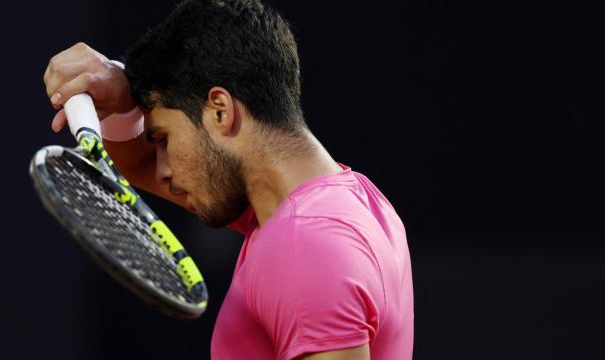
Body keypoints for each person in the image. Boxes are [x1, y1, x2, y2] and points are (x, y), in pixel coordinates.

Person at [42, 1, 413, 359]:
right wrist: (122, 95)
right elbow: (135, 163)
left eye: (164, 139)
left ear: (219, 111)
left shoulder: (303, 243)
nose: (161, 171)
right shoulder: (349, 201)